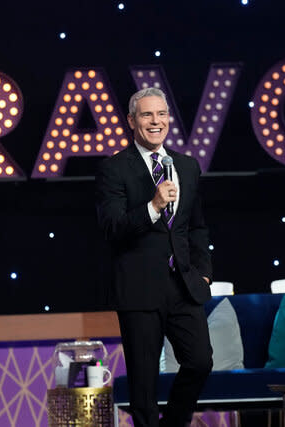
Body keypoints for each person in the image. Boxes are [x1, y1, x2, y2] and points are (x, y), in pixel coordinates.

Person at [96, 87, 213, 427]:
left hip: (183, 286)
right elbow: (112, 227)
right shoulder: (114, 169)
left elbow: (197, 227)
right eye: (147, 115)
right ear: (132, 121)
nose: (156, 121)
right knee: (143, 386)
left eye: (161, 114)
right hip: (139, 290)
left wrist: (203, 271)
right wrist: (153, 206)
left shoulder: (187, 166)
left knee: (199, 362)